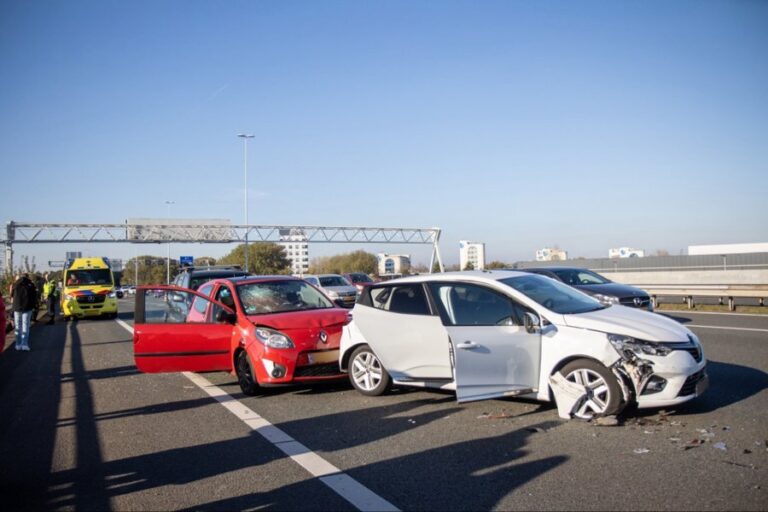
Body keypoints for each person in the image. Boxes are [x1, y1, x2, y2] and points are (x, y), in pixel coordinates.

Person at [11, 273, 37, 351]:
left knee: (18, 326)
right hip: (27, 307)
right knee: (25, 326)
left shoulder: (15, 284)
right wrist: (33, 306)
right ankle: (24, 344)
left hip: (17, 308)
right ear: (28, 277)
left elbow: (12, 296)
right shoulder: (31, 284)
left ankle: (17, 344)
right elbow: (34, 297)